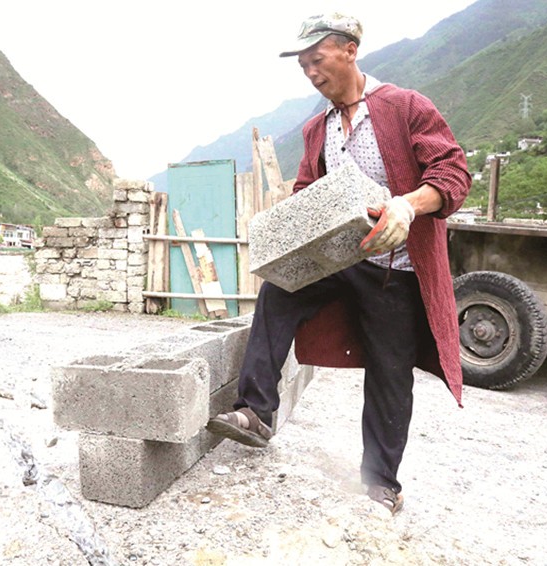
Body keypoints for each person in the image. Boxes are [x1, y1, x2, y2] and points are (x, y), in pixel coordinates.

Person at [206, 12, 471, 515]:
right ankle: (256, 411)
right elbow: (309, 190)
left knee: (390, 372)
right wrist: (286, 228)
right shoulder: (318, 127)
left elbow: (452, 173)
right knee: (279, 290)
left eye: (317, 59)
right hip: (338, 260)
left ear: (350, 50)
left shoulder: (405, 107)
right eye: (303, 65)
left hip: (395, 267)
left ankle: (382, 482)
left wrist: (406, 206)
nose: (311, 72)